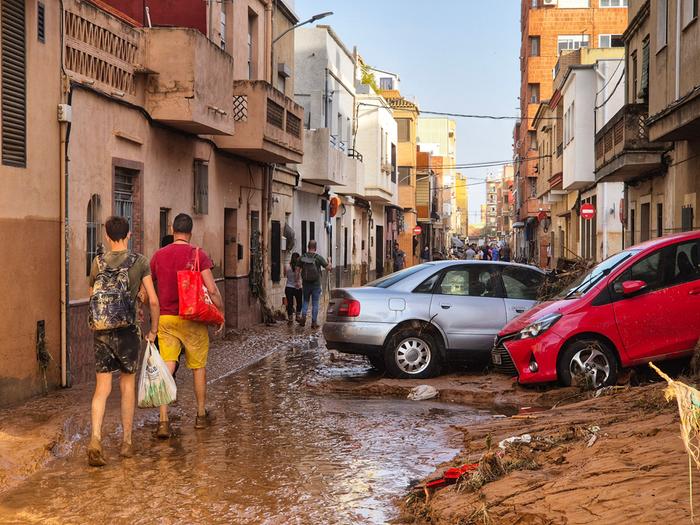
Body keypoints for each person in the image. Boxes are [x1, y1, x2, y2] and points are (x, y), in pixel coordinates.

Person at [87, 216, 159, 466]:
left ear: (107, 236)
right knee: (127, 385)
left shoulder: (97, 262)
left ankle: (95, 438)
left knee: (102, 389)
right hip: (128, 331)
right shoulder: (139, 261)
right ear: (129, 235)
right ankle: (126, 442)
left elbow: (91, 296)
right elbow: (153, 300)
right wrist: (153, 329)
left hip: (102, 331)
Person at [150, 213, 223, 438]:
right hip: (192, 318)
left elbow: (147, 289)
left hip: (166, 320)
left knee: (167, 366)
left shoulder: (158, 256)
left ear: (173, 230)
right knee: (198, 367)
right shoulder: (198, 254)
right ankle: (200, 416)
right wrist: (220, 312)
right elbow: (211, 289)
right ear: (190, 232)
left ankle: (163, 421)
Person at [298, 240, 330, 329]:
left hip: (306, 284)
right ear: (315, 248)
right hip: (316, 284)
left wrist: (297, 280)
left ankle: (303, 317)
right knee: (315, 303)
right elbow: (328, 268)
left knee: (305, 301)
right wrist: (329, 261)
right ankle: (314, 322)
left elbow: (297, 269)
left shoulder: (302, 257)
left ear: (308, 247)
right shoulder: (318, 258)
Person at [284, 253, 303, 324]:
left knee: (290, 303)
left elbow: (284, 274)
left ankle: (290, 318)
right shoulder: (301, 267)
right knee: (299, 302)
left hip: (289, 287)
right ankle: (298, 316)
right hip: (298, 287)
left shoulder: (287, 266)